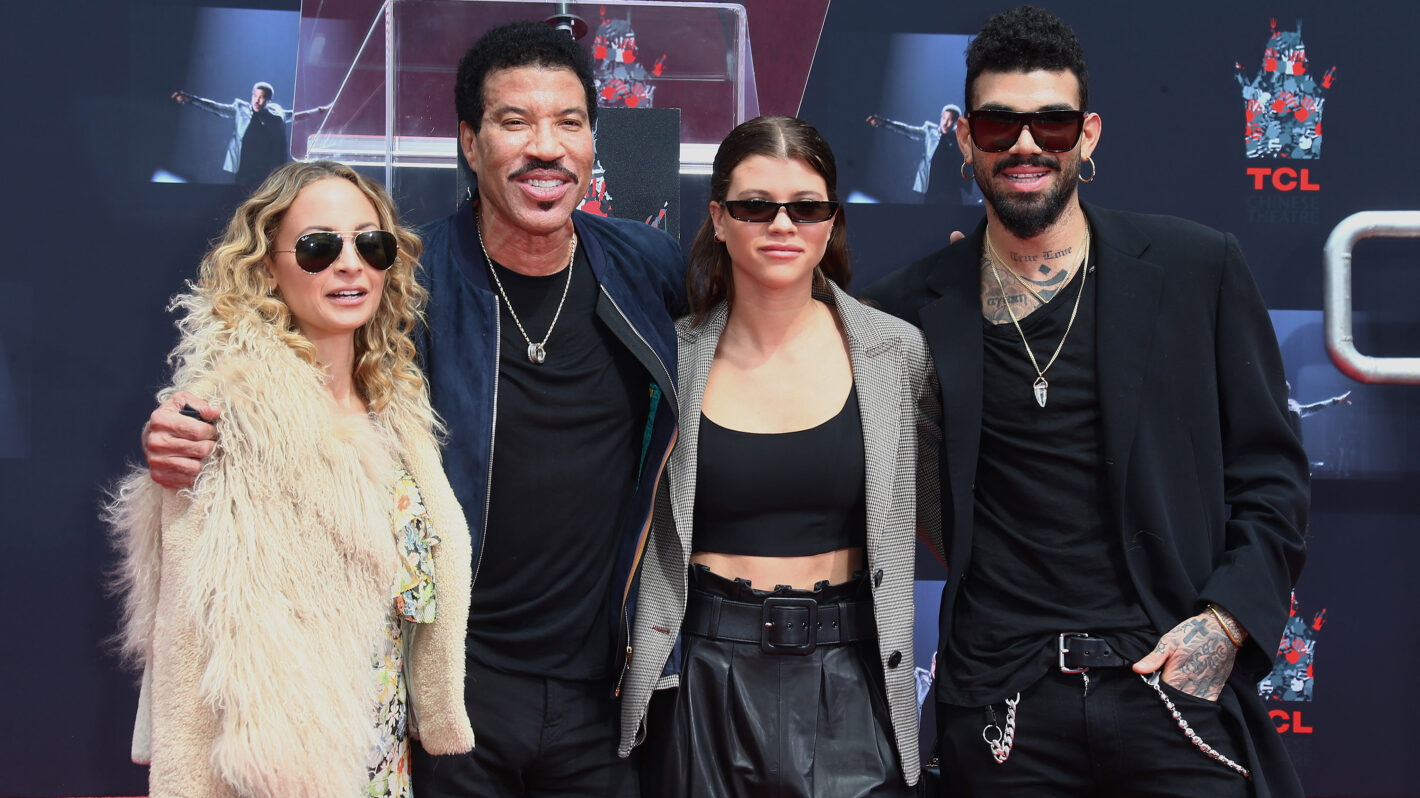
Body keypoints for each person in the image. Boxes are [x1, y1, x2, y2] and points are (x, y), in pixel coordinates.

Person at [143, 21, 684, 798]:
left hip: (601, 693)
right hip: (451, 685)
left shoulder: (647, 266)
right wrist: (186, 422)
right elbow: (284, 359)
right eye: (514, 122)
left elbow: (762, 329)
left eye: (569, 123)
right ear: (470, 142)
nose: (546, 147)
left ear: (594, 143)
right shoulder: (408, 281)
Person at [862, 7, 1309, 797]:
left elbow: (1271, 473)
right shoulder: (904, 313)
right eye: (999, 125)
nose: (1027, 144)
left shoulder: (1194, 269)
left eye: (1053, 124)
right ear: (965, 140)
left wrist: (1226, 624)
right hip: (1004, 707)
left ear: (1089, 135)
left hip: (1172, 689)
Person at [107, 160, 474, 798]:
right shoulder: (230, 417)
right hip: (282, 772)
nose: (350, 264)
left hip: (379, 754)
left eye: (370, 243)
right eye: (318, 247)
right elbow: (190, 638)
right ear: (266, 267)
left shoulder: (398, 406)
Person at [621, 116, 943, 798]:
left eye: (806, 207)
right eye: (754, 206)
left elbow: (949, 518)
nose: (782, 224)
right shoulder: (666, 356)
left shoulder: (896, 354)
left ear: (832, 220)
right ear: (718, 217)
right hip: (703, 674)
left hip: (851, 673)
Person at [172, 82, 331, 185]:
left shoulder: (276, 114)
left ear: (269, 100)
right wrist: (190, 99)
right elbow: (216, 108)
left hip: (265, 168)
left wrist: (319, 112)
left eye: (261, 98)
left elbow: (297, 116)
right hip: (245, 167)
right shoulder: (240, 109)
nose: (256, 101)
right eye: (254, 96)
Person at [865, 103, 960, 196]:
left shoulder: (959, 140)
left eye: (950, 120)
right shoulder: (930, 130)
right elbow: (907, 130)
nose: (945, 123)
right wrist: (885, 122)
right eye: (943, 118)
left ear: (956, 123)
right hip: (927, 185)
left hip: (947, 188)